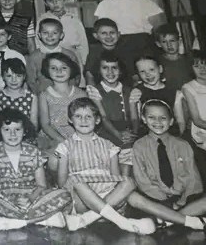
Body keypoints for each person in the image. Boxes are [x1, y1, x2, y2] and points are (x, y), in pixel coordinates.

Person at [56, 98, 155, 234]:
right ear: (70, 120)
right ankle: (123, 222)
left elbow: (114, 179)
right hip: (82, 200)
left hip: (107, 196)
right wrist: (80, 180)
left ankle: (88, 219)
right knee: (76, 180)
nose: (83, 121)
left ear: (97, 120)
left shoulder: (109, 146)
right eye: (78, 116)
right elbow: (62, 183)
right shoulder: (64, 147)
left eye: (88, 116)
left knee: (129, 182)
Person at [0, 109, 72, 231]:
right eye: (7, 130)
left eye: (17, 129)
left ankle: (13, 222)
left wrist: (30, 199)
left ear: (24, 131)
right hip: (6, 201)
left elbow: (41, 185)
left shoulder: (33, 152)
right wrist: (12, 201)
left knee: (64, 194)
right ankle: (41, 220)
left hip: (32, 199)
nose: (13, 134)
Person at [132, 99, 206, 230]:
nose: (158, 122)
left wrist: (181, 200)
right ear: (143, 119)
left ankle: (168, 221)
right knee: (134, 198)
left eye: (163, 118)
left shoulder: (182, 145)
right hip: (156, 199)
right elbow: (142, 180)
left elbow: (193, 178)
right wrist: (164, 197)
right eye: (151, 117)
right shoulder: (139, 146)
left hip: (183, 199)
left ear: (171, 121)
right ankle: (185, 219)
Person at [95, 0, 165, 79]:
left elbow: (159, 28)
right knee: (124, 81)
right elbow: (102, 31)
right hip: (118, 47)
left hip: (143, 46)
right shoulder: (104, 5)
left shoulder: (144, 2)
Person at [85, 54, 136, 174]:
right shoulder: (95, 91)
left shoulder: (128, 90)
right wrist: (118, 135)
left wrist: (133, 133)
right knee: (118, 149)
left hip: (128, 130)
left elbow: (134, 118)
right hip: (107, 130)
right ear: (99, 71)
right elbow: (103, 117)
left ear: (121, 70)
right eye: (105, 68)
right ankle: (119, 181)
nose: (110, 72)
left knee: (133, 148)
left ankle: (127, 179)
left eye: (114, 68)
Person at [38, 53, 87, 169]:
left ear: (71, 70)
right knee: (55, 161)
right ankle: (57, 183)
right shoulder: (44, 95)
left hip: (77, 135)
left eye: (64, 68)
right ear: (47, 71)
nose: (59, 71)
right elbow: (45, 125)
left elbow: (86, 120)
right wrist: (63, 141)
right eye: (54, 68)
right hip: (53, 137)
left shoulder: (81, 94)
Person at [181, 52, 206, 190]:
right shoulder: (189, 88)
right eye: (197, 66)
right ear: (191, 69)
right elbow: (197, 120)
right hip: (202, 131)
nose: (202, 69)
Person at [26, 18, 81, 94]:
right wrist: (39, 95)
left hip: (66, 95)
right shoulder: (34, 57)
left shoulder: (69, 55)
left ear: (61, 35)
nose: (50, 36)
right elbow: (31, 80)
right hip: (43, 96)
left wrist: (70, 92)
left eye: (54, 33)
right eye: (45, 33)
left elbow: (76, 77)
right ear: (39, 35)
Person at [38, 0, 89, 66]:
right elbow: (38, 43)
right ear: (45, 3)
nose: (55, 3)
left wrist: (84, 62)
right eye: (50, 0)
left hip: (73, 57)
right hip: (51, 57)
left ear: (64, 0)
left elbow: (83, 43)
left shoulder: (74, 19)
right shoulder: (42, 20)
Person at [129, 56, 179, 136]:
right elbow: (135, 120)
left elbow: (180, 122)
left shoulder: (173, 91)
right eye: (142, 71)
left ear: (160, 69)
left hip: (170, 134)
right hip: (147, 135)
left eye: (151, 69)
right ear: (138, 74)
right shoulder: (137, 92)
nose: (148, 74)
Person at [0, 58, 38, 129]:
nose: (14, 80)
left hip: (27, 135)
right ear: (3, 77)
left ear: (24, 76)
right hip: (4, 135)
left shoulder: (31, 97)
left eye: (18, 76)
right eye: (9, 76)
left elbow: (34, 125)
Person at [85, 18, 133, 86]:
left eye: (112, 33)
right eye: (104, 33)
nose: (109, 36)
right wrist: (91, 89)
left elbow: (132, 74)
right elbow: (89, 75)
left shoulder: (125, 50)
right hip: (100, 87)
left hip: (123, 86)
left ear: (118, 34)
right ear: (96, 36)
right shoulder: (94, 51)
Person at [155, 23, 193, 92]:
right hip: (170, 97)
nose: (169, 45)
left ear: (179, 41)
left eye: (172, 41)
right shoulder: (157, 62)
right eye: (164, 42)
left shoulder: (189, 60)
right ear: (158, 44)